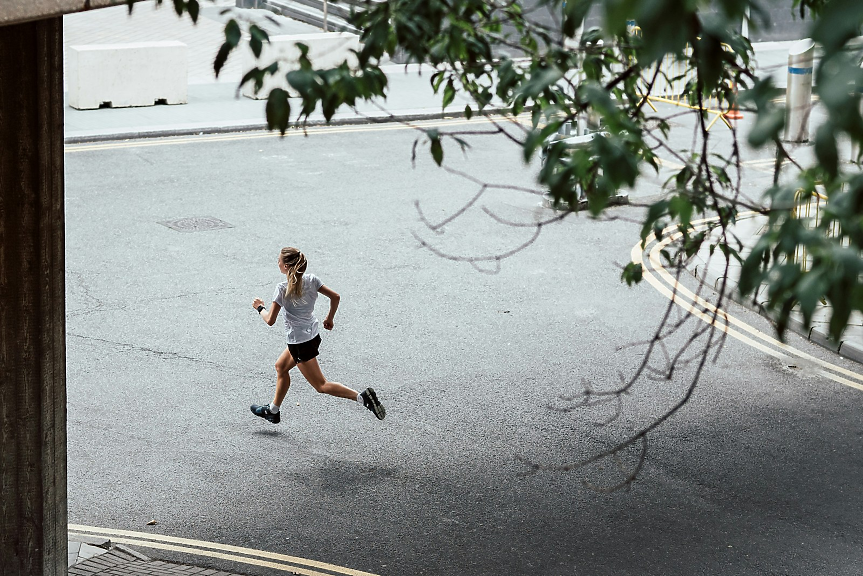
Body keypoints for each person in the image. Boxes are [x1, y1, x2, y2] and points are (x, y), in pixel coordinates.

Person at [250, 247, 386, 423]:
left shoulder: (282, 289)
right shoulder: (312, 280)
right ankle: (273, 411)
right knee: (281, 367)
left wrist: (259, 307)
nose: (278, 263)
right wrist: (329, 318)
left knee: (321, 385)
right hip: (313, 336)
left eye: (279, 261)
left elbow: (270, 320)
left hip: (300, 343)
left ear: (286, 266)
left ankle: (362, 397)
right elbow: (335, 297)